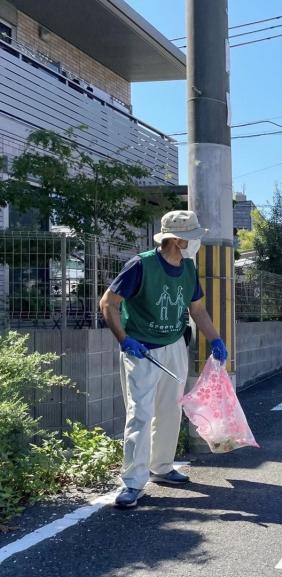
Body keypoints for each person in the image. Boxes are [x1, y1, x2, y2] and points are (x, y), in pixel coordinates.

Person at [99, 210, 228, 508]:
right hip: (141, 349)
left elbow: (198, 311)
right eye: (193, 236)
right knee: (140, 413)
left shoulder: (188, 269)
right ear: (178, 239)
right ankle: (132, 482)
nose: (197, 242)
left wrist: (215, 339)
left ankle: (162, 467)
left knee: (171, 409)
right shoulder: (141, 265)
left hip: (173, 346)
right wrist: (124, 339)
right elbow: (108, 303)